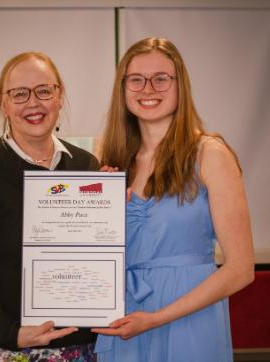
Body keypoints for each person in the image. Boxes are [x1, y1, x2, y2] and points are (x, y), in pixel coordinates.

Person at [92, 37, 254, 362]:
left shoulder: (210, 154)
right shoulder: (108, 159)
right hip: (125, 321)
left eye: (161, 78)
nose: (148, 88)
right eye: (136, 79)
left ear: (180, 85)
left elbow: (241, 269)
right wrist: (98, 209)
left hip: (189, 323)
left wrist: (155, 319)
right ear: (123, 89)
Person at [0, 51, 98, 361]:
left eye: (44, 90)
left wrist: (114, 204)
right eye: (19, 93)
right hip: (12, 349)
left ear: (59, 96)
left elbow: (98, 254)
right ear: (4, 103)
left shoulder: (87, 166)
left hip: (83, 347)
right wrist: (12, 332)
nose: (33, 103)